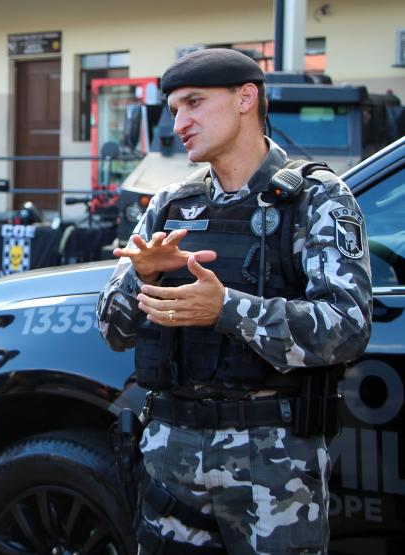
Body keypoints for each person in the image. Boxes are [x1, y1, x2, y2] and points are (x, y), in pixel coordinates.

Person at [97, 48, 373, 554]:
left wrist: (226, 309)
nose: (179, 122)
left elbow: (347, 327)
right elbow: (112, 331)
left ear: (246, 98)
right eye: (174, 108)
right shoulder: (171, 205)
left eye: (194, 103)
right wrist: (142, 278)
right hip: (171, 455)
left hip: (273, 463)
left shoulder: (315, 199)